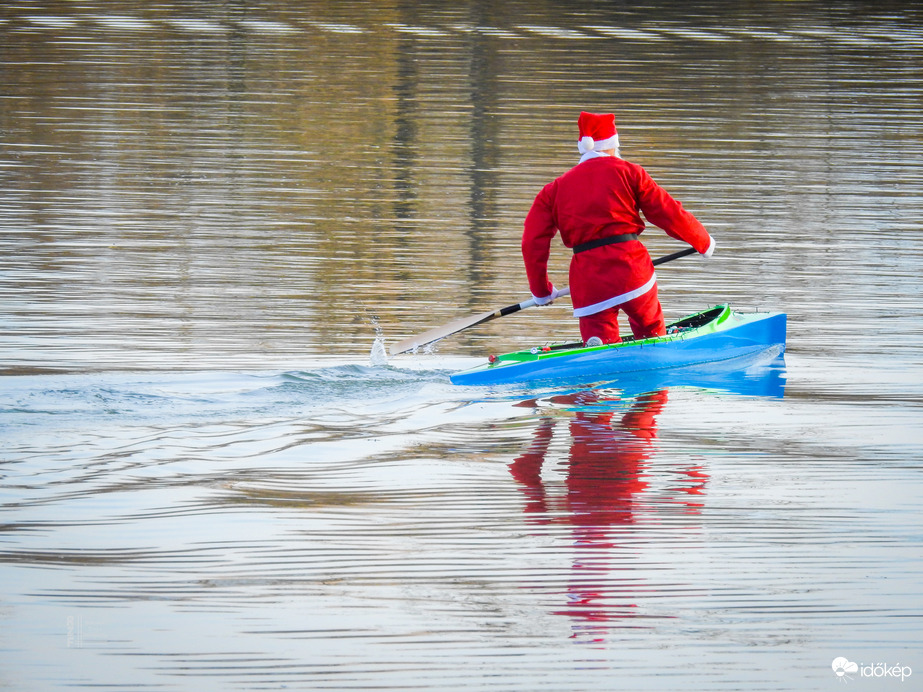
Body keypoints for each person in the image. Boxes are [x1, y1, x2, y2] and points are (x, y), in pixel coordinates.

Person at [522, 111, 716, 344]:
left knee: (599, 352)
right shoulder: (631, 172)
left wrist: (541, 292)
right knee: (651, 333)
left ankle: (598, 354)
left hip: (589, 282)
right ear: (613, 145)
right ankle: (654, 351)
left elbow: (532, 243)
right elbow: (668, 211)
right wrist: (702, 241)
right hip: (632, 272)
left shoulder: (553, 190)